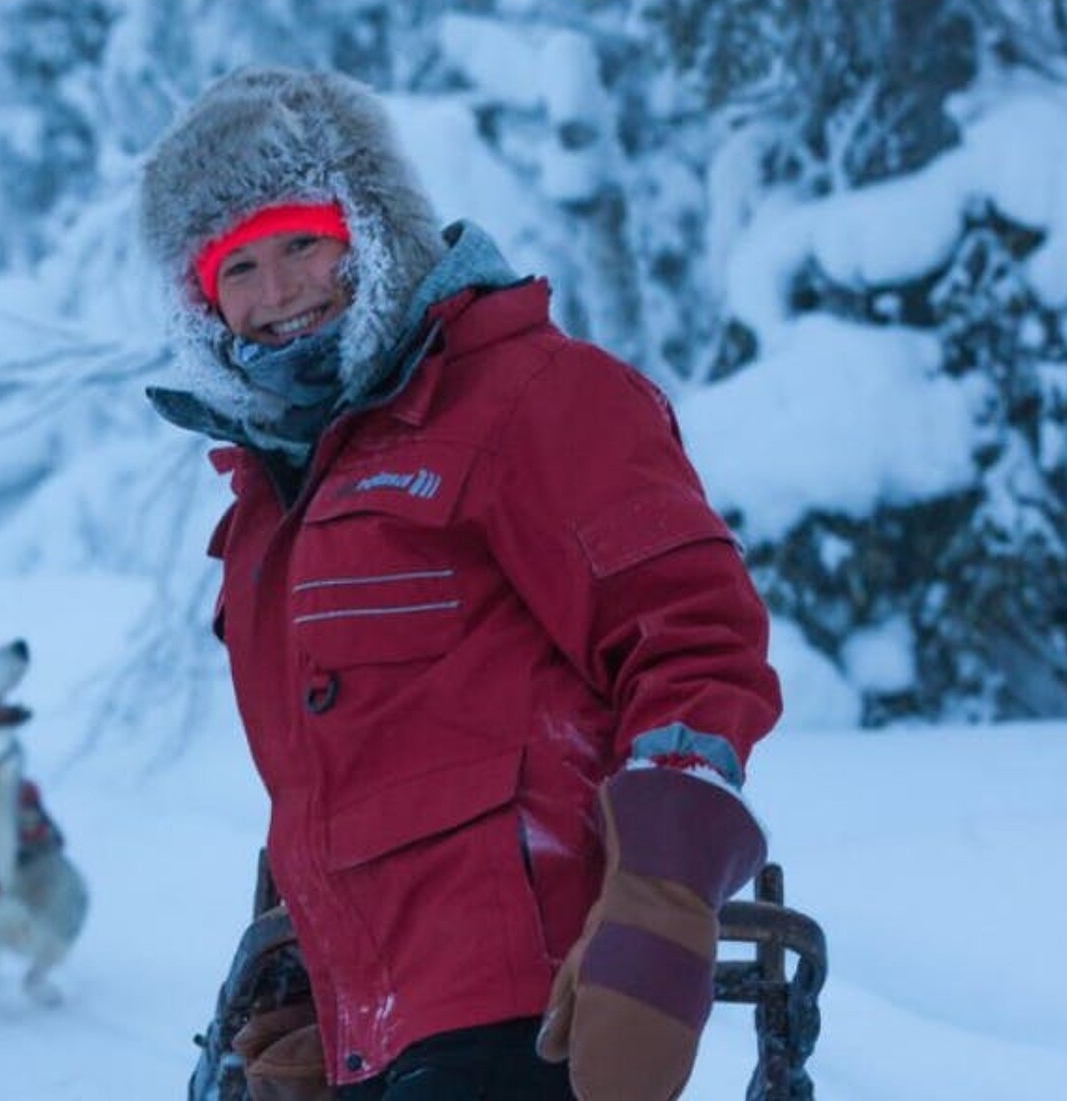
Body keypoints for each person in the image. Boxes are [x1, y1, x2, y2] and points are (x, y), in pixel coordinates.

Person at [142, 66, 780, 1101]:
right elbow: (329, 774)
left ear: (372, 230)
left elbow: (693, 639)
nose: (277, 295)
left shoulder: (531, 395)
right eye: (238, 269)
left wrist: (658, 908)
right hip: (375, 1029)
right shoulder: (274, 501)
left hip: (528, 1007)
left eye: (303, 242)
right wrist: (298, 978)